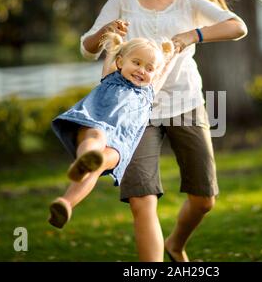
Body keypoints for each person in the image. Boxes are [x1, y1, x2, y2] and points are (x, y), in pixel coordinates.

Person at [79, 0, 247, 262]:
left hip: (186, 104)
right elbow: (88, 48)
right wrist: (106, 30)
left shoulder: (188, 3)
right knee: (141, 200)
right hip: (134, 112)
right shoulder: (122, 0)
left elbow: (238, 26)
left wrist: (192, 35)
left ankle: (175, 244)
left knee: (204, 199)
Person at [48, 32, 175, 229]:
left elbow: (164, 70)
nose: (142, 70)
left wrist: (172, 53)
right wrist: (114, 38)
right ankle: (85, 160)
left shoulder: (149, 91)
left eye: (149, 68)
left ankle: (65, 203)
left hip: (121, 143)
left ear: (155, 74)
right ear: (120, 62)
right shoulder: (110, 76)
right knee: (96, 138)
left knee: (101, 162)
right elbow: (112, 51)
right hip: (95, 122)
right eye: (136, 62)